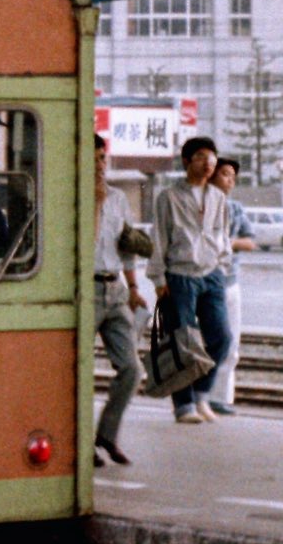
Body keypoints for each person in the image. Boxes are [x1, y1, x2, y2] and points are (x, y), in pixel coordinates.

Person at [149, 135, 234, 423]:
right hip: (180, 274)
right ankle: (183, 405)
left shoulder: (218, 197)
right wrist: (159, 278)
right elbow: (159, 237)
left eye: (211, 157)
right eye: (200, 156)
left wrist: (222, 265)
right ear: (186, 161)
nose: (208, 162)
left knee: (221, 336)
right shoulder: (169, 197)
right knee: (181, 340)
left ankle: (202, 396)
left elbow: (223, 234)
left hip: (211, 274)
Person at [92, 136, 145, 463]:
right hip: (86, 288)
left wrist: (134, 286)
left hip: (116, 290)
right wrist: (94, 203)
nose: (100, 165)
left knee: (131, 369)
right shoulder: (72, 195)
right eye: (94, 158)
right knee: (78, 372)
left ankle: (106, 435)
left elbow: (127, 246)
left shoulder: (119, 198)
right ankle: (81, 443)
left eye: (103, 158)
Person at [210, 156, 259, 414]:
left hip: (230, 283)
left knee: (231, 343)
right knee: (206, 341)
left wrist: (227, 243)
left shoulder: (236, 208)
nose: (230, 181)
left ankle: (221, 397)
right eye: (225, 174)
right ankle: (198, 397)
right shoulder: (201, 204)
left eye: (233, 176)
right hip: (204, 282)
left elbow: (250, 241)